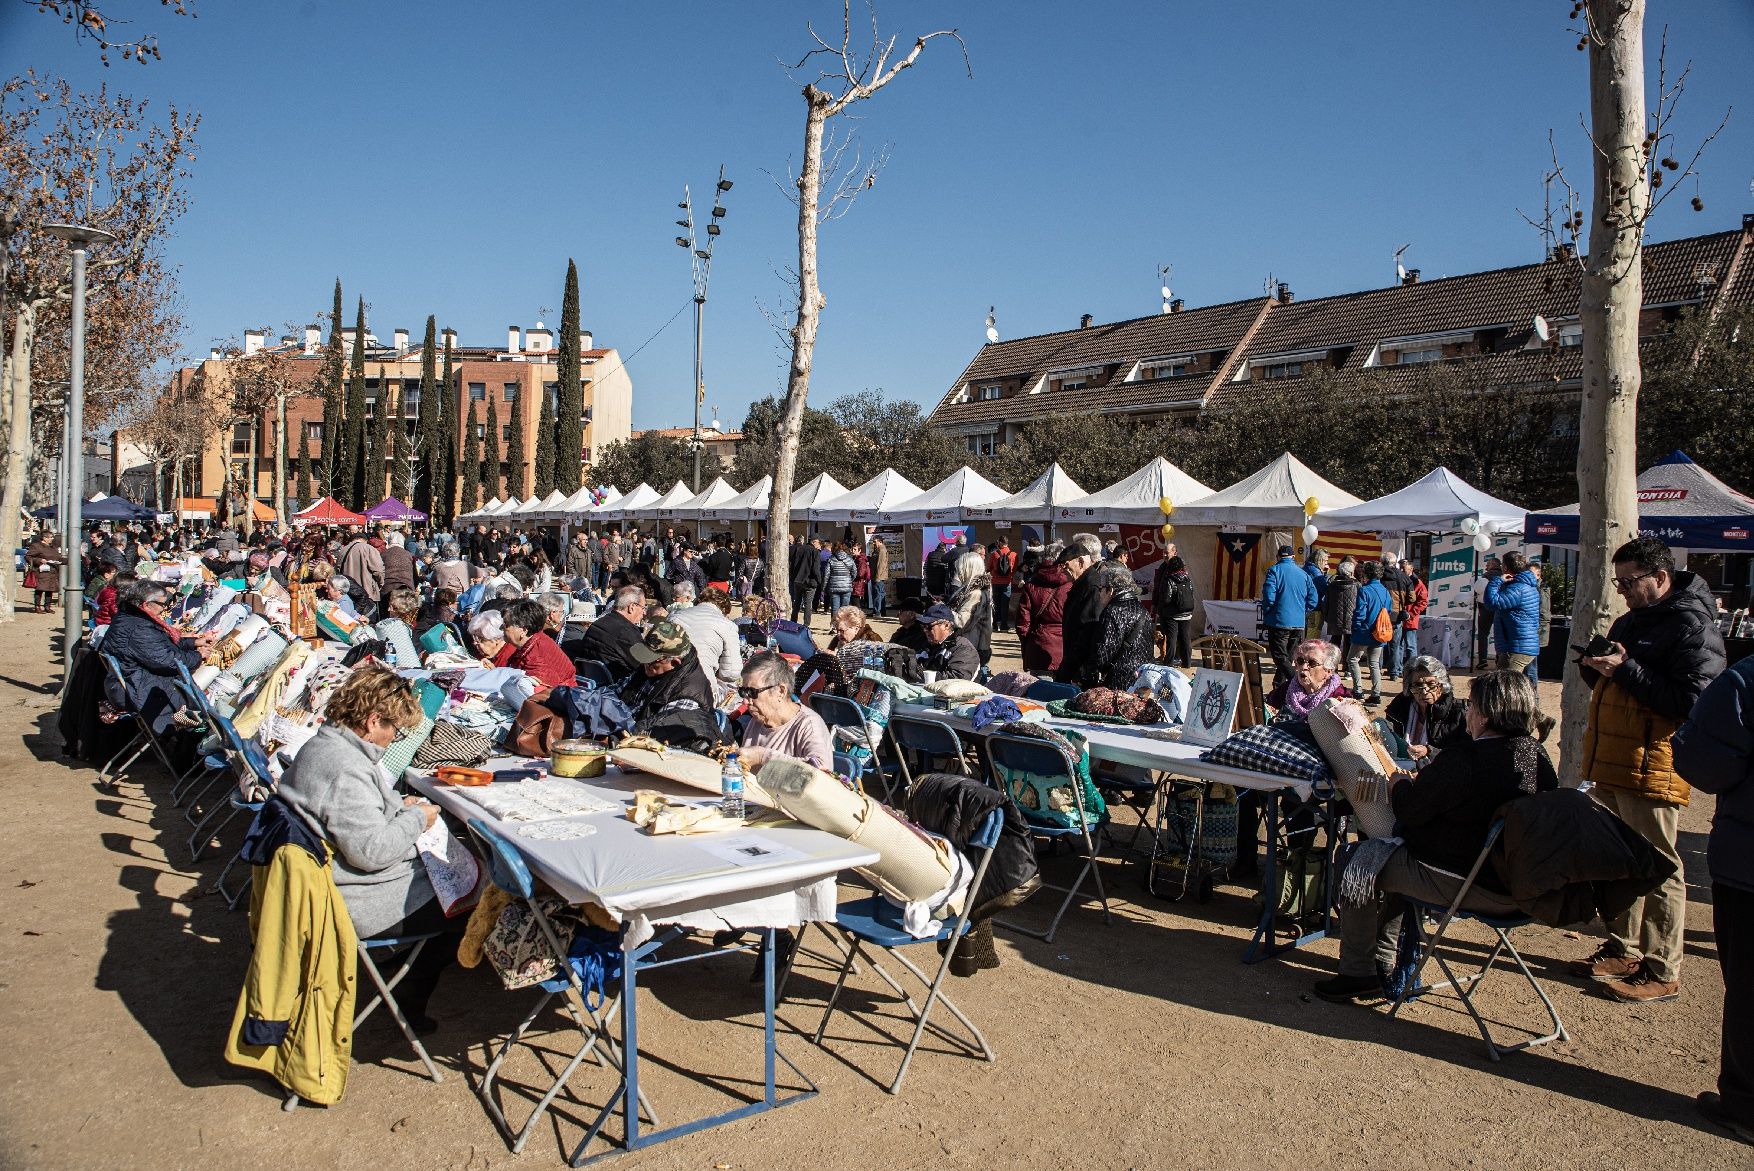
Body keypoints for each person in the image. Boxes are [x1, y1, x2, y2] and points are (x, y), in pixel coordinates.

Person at [1313, 671, 1558, 1003]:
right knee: (1391, 854)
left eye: (1470, 705)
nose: (1466, 711)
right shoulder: (1537, 756)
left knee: (1357, 860)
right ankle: (1387, 958)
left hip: (1466, 881)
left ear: (1485, 715)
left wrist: (1399, 784)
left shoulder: (1467, 758)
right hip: (1520, 885)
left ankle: (1359, 972)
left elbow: (1411, 812)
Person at [1571, 535, 1726, 1003]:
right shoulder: (1633, 618)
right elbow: (1618, 679)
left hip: (1652, 765)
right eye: (1617, 582)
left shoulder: (1693, 627)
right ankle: (1624, 945)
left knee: (1659, 866)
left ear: (1660, 578)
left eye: (1629, 582)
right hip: (1614, 761)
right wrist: (1596, 665)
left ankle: (1662, 967)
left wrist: (1625, 670)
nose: (1621, 590)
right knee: (1620, 861)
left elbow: (1694, 702)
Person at [273, 665, 458, 1033]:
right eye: (394, 730)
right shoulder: (346, 767)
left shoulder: (326, 745)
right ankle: (408, 990)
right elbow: (371, 852)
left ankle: (403, 968)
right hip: (350, 898)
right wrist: (417, 818)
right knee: (468, 904)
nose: (394, 739)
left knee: (458, 873)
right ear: (373, 721)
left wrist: (397, 809)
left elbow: (355, 816)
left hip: (330, 881)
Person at [1672, 653, 1754, 1144]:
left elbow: (1704, 762)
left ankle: (1746, 1105)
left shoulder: (1744, 682)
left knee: (1748, 985)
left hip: (1747, 864)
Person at [102, 579, 214, 740]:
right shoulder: (139, 628)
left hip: (132, 681)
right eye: (162, 604)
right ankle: (192, 739)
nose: (165, 608)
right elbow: (167, 660)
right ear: (146, 605)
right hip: (141, 690)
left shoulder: (130, 617)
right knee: (206, 698)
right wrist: (198, 656)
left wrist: (193, 642)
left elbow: (161, 644)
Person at [738, 652, 835, 771]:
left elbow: (821, 770)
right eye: (743, 692)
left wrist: (762, 756)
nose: (745, 702)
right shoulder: (757, 720)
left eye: (752, 692)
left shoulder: (809, 725)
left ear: (780, 691)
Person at [617, 620, 715, 723]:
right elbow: (620, 690)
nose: (644, 664)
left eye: (651, 661)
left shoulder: (686, 697)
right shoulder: (652, 669)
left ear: (674, 662)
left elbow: (653, 733)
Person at [1383, 655, 1470, 761]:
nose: (1424, 691)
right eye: (1417, 685)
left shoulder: (1459, 712)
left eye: (1431, 684)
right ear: (1409, 687)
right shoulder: (1399, 708)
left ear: (1442, 686)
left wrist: (1429, 752)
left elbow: (1465, 754)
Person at [667, 581, 742, 702]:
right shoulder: (727, 625)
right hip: (702, 690)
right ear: (723, 609)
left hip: (668, 683)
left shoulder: (675, 616)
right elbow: (732, 673)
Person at [1085, 562, 1153, 690]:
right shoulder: (1142, 609)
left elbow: (1103, 654)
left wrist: (1088, 671)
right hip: (1142, 679)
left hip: (1118, 681)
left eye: (1101, 589)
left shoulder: (1113, 611)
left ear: (1110, 590)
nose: (1099, 594)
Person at [1261, 544, 1318, 681]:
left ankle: (1297, 681)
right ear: (1293, 557)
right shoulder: (1304, 574)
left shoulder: (1274, 571)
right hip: (1297, 623)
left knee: (1280, 657)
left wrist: (1269, 611)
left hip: (1279, 621)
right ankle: (1278, 685)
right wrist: (1302, 611)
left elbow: (1269, 596)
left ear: (1278, 557)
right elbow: (1314, 599)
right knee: (1286, 657)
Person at [1485, 551, 1542, 684]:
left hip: (1516, 646)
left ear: (1505, 568)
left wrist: (1496, 581)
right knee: (1526, 687)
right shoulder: (1527, 585)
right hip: (1524, 644)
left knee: (1503, 688)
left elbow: (1491, 602)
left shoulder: (1517, 588)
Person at [1056, 533, 1106, 684]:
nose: (1063, 570)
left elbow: (1088, 631)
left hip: (1080, 670)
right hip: (1074, 663)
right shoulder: (1081, 584)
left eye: (1066, 565)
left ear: (1080, 561)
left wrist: (1071, 671)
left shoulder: (1091, 586)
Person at [1016, 545, 1073, 676]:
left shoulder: (1031, 585)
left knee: (1039, 693)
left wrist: (1028, 644)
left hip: (1038, 648)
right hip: (1064, 650)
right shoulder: (1072, 585)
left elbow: (1022, 624)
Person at [501, 597, 577, 694]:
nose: (502, 627)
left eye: (506, 624)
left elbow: (538, 696)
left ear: (523, 630)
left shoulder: (536, 657)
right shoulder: (531, 642)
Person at [1265, 639, 1350, 722]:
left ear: (1327, 671)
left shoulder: (1339, 697)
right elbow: (1267, 704)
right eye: (1300, 661)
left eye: (1312, 663)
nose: (1304, 667)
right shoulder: (1288, 688)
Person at [573, 586, 648, 680]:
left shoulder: (598, 623)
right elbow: (646, 662)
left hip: (593, 683)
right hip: (617, 686)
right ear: (631, 607)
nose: (644, 613)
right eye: (643, 607)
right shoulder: (626, 630)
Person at [1346, 562, 1394, 705]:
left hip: (1364, 631)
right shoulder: (1385, 591)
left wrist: (1356, 627)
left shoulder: (1365, 590)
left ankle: (1358, 690)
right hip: (1379, 632)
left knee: (1352, 659)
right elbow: (1389, 610)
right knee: (1374, 663)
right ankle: (1376, 694)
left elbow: (1360, 612)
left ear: (1366, 574)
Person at [948, 551, 993, 668]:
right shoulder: (970, 589)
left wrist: (943, 610)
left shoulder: (975, 594)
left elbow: (962, 622)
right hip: (971, 646)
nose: (958, 573)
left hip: (972, 649)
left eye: (961, 570)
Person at [919, 603, 981, 681]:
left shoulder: (964, 649)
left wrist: (921, 674)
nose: (925, 630)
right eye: (923, 626)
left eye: (929, 626)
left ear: (946, 625)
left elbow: (958, 680)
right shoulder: (928, 644)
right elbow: (917, 662)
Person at [1153, 555, 1195, 668]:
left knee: (1172, 639)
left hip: (1173, 614)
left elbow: (1166, 599)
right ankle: (1187, 663)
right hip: (1187, 614)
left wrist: (1160, 609)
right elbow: (1191, 593)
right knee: (1185, 639)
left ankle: (1168, 663)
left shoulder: (1170, 579)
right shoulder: (1187, 578)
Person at [338, 531, 385, 620]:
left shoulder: (343, 550)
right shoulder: (369, 549)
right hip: (367, 593)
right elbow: (378, 570)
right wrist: (381, 583)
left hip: (348, 593)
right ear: (365, 540)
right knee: (368, 621)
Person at [371, 587, 423, 666]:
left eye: (394, 608)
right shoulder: (392, 626)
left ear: (405, 612)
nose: (389, 610)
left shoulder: (418, 632)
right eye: (389, 606)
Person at [1393, 560, 1428, 676]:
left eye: (1404, 568)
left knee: (1410, 646)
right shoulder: (1397, 580)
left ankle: (1412, 671)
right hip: (1398, 618)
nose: (1402, 570)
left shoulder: (1418, 583)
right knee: (1398, 646)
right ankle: (1398, 669)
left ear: (1411, 569)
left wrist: (1410, 614)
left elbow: (1423, 602)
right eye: (1400, 568)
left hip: (1410, 620)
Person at [1322, 556, 1359, 658]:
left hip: (1334, 618)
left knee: (1335, 642)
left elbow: (1326, 602)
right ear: (1351, 573)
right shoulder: (1356, 585)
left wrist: (1326, 616)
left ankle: (1333, 665)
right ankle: (1347, 668)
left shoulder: (1332, 584)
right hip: (1351, 618)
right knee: (1349, 642)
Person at [23, 530, 66, 613]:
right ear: (44, 538)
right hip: (41, 571)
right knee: (40, 589)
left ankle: (47, 606)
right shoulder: (37, 546)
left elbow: (58, 558)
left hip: (52, 571)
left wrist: (67, 561)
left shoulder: (53, 547)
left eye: (52, 537)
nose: (52, 539)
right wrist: (39, 560)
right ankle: (37, 606)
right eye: (50, 537)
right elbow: (28, 557)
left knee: (50, 589)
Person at [1473, 554, 1501, 668]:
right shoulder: (1505, 576)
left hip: (1485, 607)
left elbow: (1477, 590)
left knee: (1483, 634)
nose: (1486, 566)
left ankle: (1483, 660)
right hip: (1499, 607)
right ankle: (1499, 659)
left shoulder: (1486, 576)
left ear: (1493, 565)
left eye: (1488, 564)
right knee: (1499, 634)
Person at [786, 535, 819, 624]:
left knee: (797, 602)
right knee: (808, 604)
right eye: (818, 542)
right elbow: (815, 569)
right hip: (809, 581)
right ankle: (806, 624)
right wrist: (819, 581)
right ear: (814, 542)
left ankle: (793, 621)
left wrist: (793, 577)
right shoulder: (814, 551)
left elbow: (793, 565)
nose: (818, 545)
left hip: (798, 580)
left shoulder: (799, 549)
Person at [987, 538, 1017, 633]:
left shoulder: (994, 554)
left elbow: (989, 567)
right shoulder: (1014, 554)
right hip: (1007, 582)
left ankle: (995, 625)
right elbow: (1015, 569)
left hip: (995, 582)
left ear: (1000, 543)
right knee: (1005, 604)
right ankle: (1004, 625)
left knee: (995, 604)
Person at [824, 541, 858, 614]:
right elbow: (854, 573)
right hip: (846, 587)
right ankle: (843, 625)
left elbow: (826, 575)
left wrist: (824, 587)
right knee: (844, 610)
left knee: (835, 609)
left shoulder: (831, 559)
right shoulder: (850, 559)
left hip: (834, 587)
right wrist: (849, 580)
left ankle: (834, 625)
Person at [866, 534, 890, 617]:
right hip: (875, 575)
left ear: (880, 541)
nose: (873, 543)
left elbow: (880, 564)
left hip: (878, 576)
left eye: (874, 541)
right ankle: (880, 611)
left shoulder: (882, 550)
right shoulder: (877, 549)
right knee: (880, 594)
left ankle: (877, 612)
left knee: (878, 594)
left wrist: (878, 577)